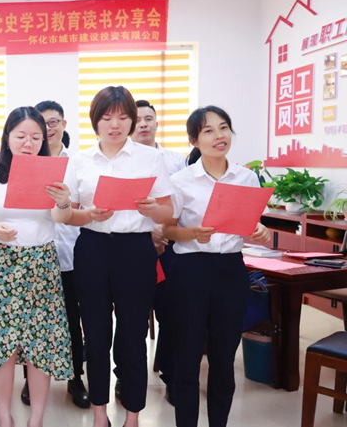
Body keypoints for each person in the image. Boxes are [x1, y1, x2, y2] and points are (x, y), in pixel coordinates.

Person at [64, 86, 174, 427]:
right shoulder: (79, 160)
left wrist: (152, 208)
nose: (115, 125)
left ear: (132, 120)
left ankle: (133, 416)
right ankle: (99, 414)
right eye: (107, 118)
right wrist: (88, 214)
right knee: (96, 336)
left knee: (132, 336)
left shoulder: (149, 158)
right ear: (95, 120)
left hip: (135, 250)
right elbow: (68, 214)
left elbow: (168, 211)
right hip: (92, 249)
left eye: (123, 117)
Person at [0, 106, 74, 427]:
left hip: (41, 266)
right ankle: (4, 417)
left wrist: (64, 201)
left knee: (40, 346)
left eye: (36, 137)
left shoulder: (54, 173)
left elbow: (61, 218)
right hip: (1, 265)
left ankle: (36, 419)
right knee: (3, 346)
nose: (28, 143)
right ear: (7, 137)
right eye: (21, 136)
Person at [163, 106, 271, 427]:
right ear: (194, 140)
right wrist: (192, 233)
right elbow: (168, 230)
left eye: (223, 128)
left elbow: (252, 224)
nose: (219, 136)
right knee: (187, 358)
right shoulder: (180, 181)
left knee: (224, 360)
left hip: (230, 271)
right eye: (208, 131)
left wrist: (260, 230)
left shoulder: (246, 178)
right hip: (190, 271)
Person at [21, 100, 90, 410]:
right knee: (32, 323)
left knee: (73, 321)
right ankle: (30, 379)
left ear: (64, 125)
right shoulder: (25, 164)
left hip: (72, 254)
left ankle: (75, 378)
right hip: (35, 256)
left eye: (53, 122)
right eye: (42, 123)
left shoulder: (79, 163)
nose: (48, 128)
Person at [124, 99, 188, 405]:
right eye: (137, 119)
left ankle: (172, 377)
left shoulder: (176, 161)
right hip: (132, 248)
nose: (143, 124)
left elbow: (183, 204)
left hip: (169, 249)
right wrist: (148, 233)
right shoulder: (121, 160)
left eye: (148, 118)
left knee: (172, 315)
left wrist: (164, 231)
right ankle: (125, 379)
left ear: (157, 123)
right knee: (130, 320)